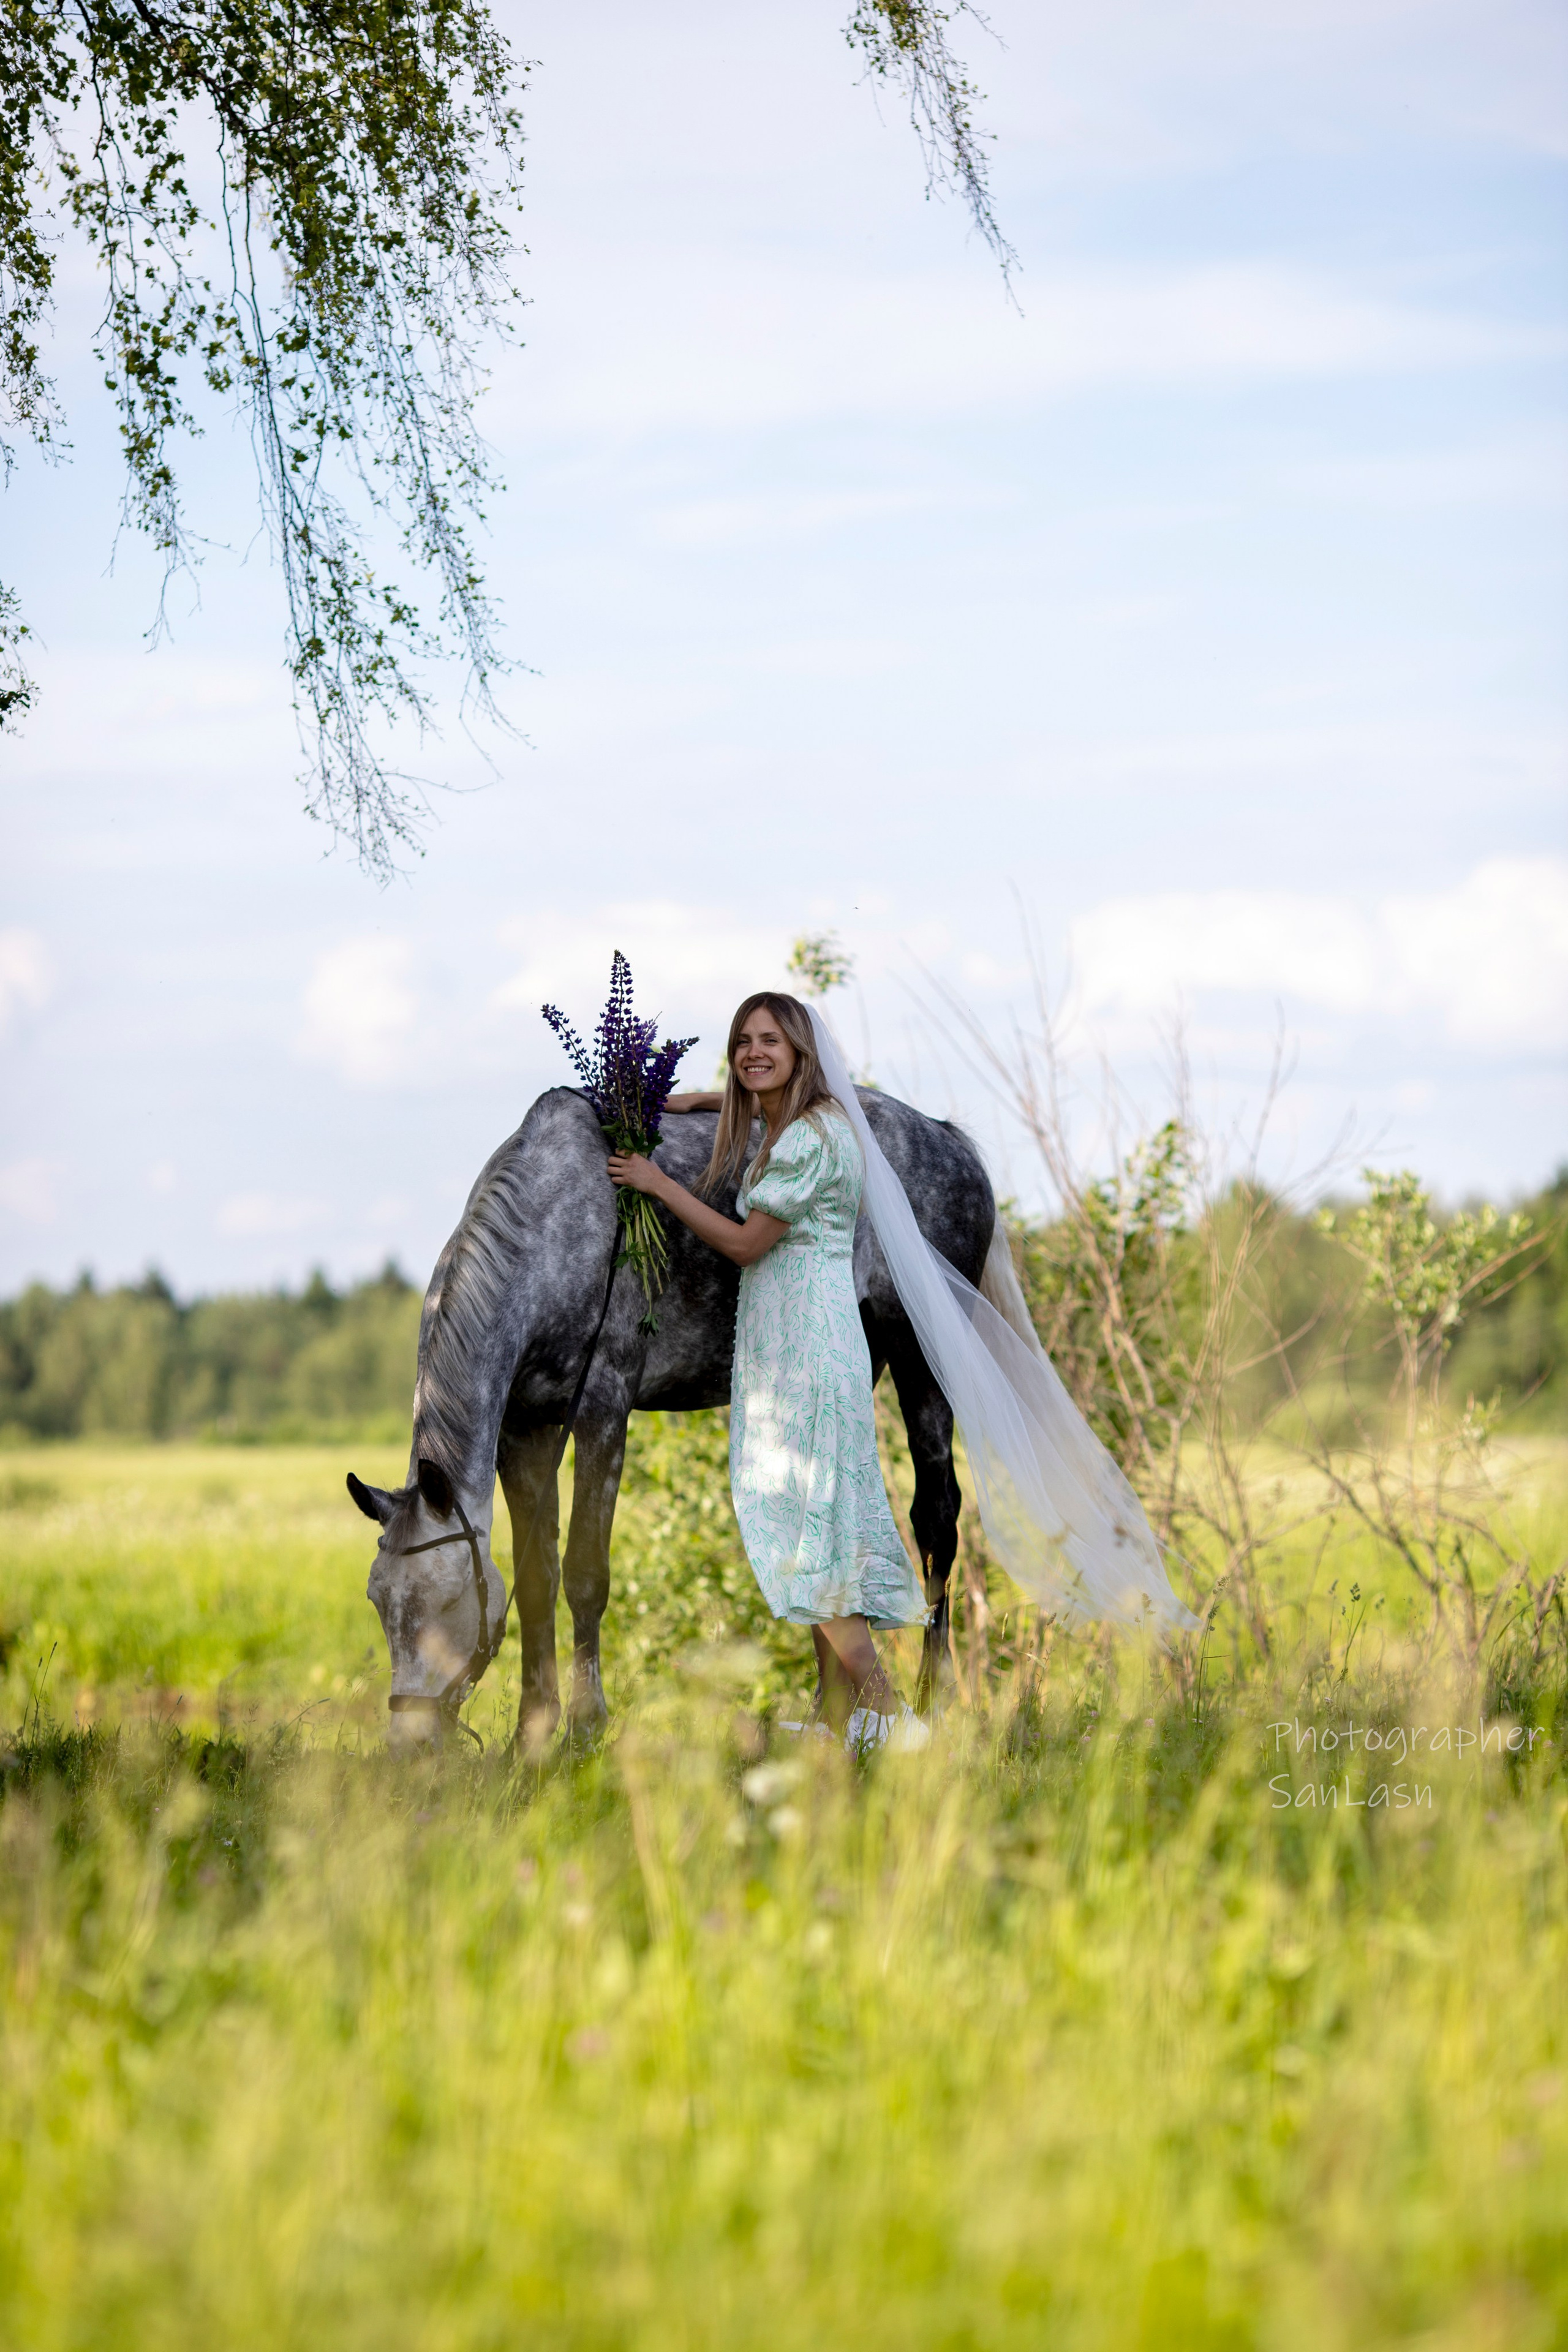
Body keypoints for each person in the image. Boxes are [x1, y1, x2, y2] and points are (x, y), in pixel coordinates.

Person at [607, 992, 927, 1749]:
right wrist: (694, 1098)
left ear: (802, 1053)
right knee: (816, 1530)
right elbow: (751, 1103)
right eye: (743, 1041)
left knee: (805, 1536)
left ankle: (890, 1715)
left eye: (771, 1042)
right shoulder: (807, 1120)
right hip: (794, 1340)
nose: (754, 1052)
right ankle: (840, 1719)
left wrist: (661, 1185)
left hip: (805, 1347)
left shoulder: (806, 1141)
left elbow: (749, 1245)